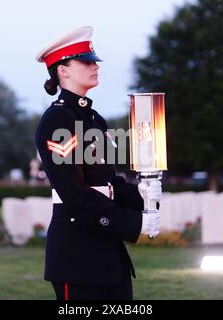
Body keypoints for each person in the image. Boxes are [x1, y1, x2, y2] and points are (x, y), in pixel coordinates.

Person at [35, 26, 162, 300]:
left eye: (94, 60)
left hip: (109, 254)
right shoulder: (58, 121)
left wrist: (142, 195)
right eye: (85, 61)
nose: (95, 66)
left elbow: (110, 182)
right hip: (78, 256)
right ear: (62, 70)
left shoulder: (96, 120)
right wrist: (132, 223)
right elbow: (74, 194)